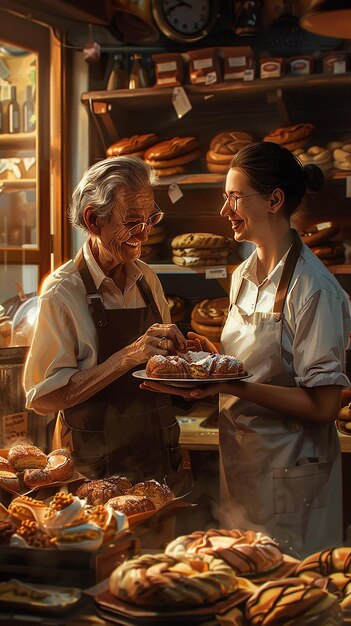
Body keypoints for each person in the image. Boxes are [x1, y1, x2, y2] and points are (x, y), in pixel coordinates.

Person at [141, 141, 351, 557]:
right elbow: (261, 362)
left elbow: (325, 404)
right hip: (242, 469)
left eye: (235, 198)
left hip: (293, 478)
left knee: (288, 601)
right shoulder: (244, 275)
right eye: (224, 198)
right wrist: (210, 356)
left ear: (274, 200)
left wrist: (232, 385)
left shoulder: (314, 290)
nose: (225, 210)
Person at [24, 155, 188, 486]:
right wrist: (129, 355)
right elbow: (43, 397)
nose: (143, 234)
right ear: (94, 221)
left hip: (157, 456)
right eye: (131, 221)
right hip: (95, 470)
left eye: (150, 218)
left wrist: (183, 360)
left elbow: (155, 368)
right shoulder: (62, 292)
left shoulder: (147, 279)